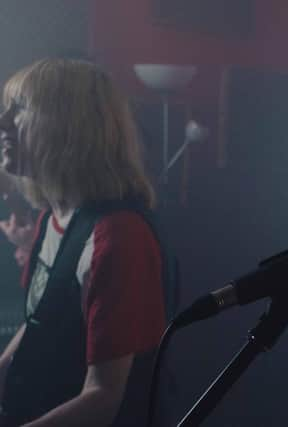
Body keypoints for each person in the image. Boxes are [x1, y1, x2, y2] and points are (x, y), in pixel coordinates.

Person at [0, 58, 168, 427]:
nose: (3, 123)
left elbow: (104, 397)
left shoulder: (119, 236)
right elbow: (38, 321)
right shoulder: (51, 216)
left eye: (21, 109)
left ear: (69, 128)